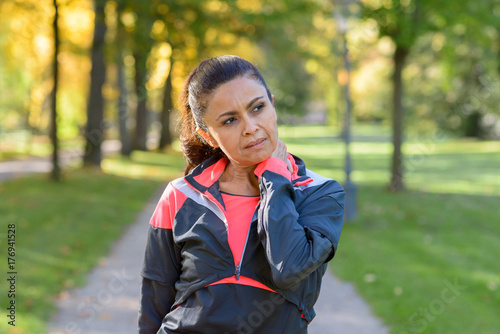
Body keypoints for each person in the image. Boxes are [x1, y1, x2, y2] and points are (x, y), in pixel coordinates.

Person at [138, 55, 344, 334]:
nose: (250, 127)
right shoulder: (181, 195)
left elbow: (289, 267)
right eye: (230, 120)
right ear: (208, 136)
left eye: (257, 108)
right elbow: (155, 301)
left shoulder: (320, 193)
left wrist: (274, 177)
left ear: (272, 104)